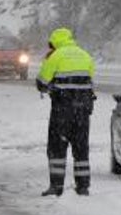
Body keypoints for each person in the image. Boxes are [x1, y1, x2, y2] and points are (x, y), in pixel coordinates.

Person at [35, 27, 96, 196]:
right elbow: (90, 81)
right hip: (83, 111)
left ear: (54, 43)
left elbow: (42, 82)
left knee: (57, 148)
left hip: (62, 110)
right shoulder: (85, 55)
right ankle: (83, 186)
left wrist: (50, 82)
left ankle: (56, 186)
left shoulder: (56, 56)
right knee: (81, 149)